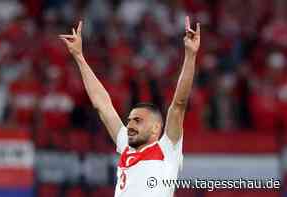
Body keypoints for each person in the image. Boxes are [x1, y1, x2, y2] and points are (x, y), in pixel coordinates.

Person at [59, 16, 200, 197]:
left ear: (156, 127)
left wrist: (190, 56)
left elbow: (178, 104)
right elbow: (103, 105)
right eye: (130, 120)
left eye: (138, 121)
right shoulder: (126, 144)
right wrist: (79, 57)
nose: (131, 125)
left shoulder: (167, 148)